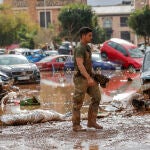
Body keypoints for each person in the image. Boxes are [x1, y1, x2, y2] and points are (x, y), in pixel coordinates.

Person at [72, 27, 103, 132]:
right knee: (78, 102)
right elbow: (80, 65)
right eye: (89, 35)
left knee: (97, 97)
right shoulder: (79, 48)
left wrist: (94, 75)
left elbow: (89, 63)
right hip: (80, 79)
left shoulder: (88, 48)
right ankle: (76, 125)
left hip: (89, 77)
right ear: (83, 35)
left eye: (91, 35)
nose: (91, 37)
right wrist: (88, 78)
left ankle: (91, 122)